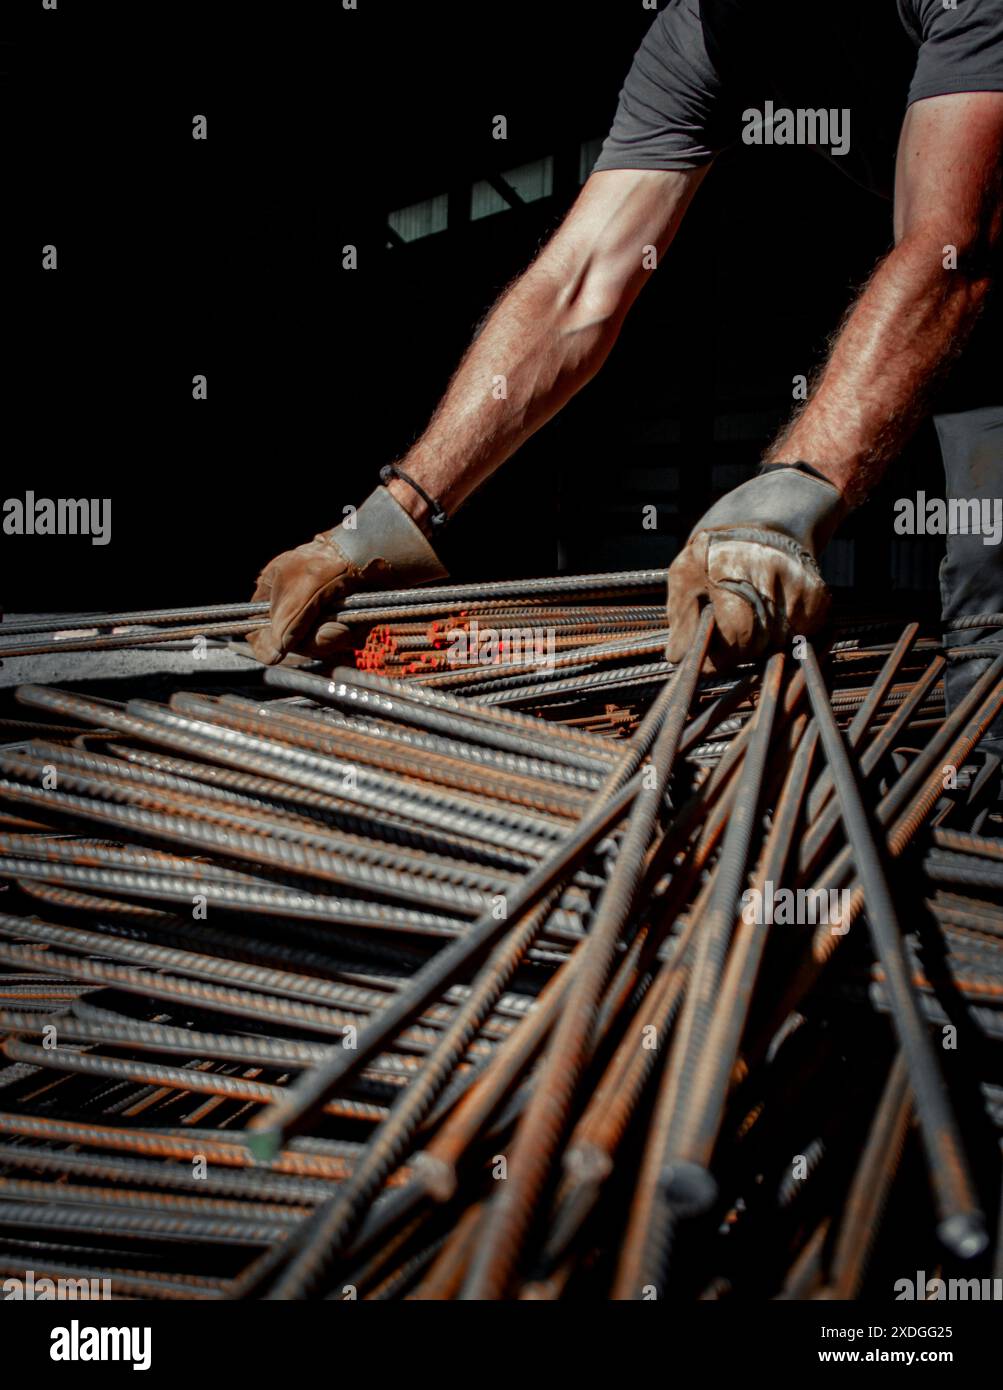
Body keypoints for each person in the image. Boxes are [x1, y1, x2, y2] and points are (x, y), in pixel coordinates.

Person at [249, 0, 1002, 738]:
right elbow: (577, 285)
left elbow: (951, 248)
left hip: (974, 278)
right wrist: (397, 513)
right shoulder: (699, 31)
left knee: (988, 598)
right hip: (970, 297)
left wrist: (788, 491)